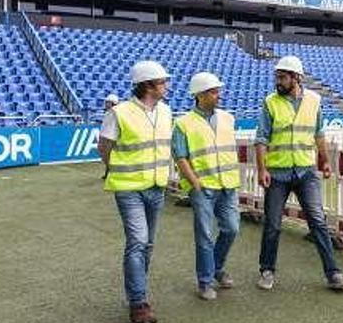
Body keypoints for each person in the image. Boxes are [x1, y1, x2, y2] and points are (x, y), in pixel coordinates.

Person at [255, 55, 343, 291]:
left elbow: (318, 134)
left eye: (283, 77)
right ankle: (267, 270)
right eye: (277, 76)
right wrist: (262, 168)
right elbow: (261, 139)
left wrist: (325, 161)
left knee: (318, 222)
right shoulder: (270, 102)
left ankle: (333, 273)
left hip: (306, 171)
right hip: (277, 173)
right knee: (273, 225)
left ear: (296, 78)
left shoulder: (314, 100)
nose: (278, 81)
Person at [98, 61, 172, 323]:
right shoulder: (119, 112)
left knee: (147, 245)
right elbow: (104, 146)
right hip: (129, 189)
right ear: (148, 85)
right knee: (138, 241)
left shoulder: (166, 112)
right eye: (163, 82)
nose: (167, 86)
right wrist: (114, 168)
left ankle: (137, 290)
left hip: (156, 186)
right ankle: (139, 302)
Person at [172, 72, 240, 301]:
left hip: (228, 184)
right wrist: (194, 183)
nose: (218, 95)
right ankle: (205, 281)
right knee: (204, 234)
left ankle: (217, 267)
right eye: (213, 91)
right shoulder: (183, 123)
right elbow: (180, 157)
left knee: (231, 228)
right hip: (203, 187)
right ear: (199, 95)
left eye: (217, 90)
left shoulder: (228, 118)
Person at [101, 94, 120, 179]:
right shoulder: (107, 112)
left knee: (109, 156)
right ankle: (108, 172)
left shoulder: (116, 112)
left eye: (108, 102)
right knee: (106, 156)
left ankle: (111, 173)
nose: (106, 104)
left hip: (112, 137)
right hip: (106, 136)